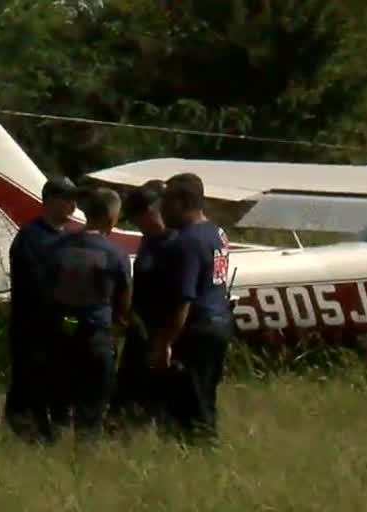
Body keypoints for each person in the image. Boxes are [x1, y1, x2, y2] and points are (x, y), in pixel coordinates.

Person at [43, 186, 132, 440]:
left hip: (64, 327)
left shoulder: (58, 246)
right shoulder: (115, 254)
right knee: (92, 401)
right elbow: (124, 300)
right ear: (111, 219)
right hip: (96, 332)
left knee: (62, 393)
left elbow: (47, 288)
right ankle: (86, 447)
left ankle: (55, 439)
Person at [151, 173, 234, 443]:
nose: (161, 209)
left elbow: (183, 301)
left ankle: (203, 449)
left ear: (181, 203)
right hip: (220, 322)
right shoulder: (217, 232)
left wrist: (165, 342)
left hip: (196, 330)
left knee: (191, 404)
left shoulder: (186, 242)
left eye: (167, 202)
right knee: (205, 395)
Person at [4, 176, 80, 443]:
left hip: (60, 327)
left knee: (59, 386)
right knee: (31, 384)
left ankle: (53, 434)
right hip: (33, 326)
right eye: (66, 199)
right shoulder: (31, 237)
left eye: (74, 199)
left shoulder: (69, 237)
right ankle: (28, 435)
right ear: (48, 201)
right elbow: (36, 285)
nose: (72, 205)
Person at [109, 180, 176, 431]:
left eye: (138, 217)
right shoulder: (150, 241)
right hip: (140, 328)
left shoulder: (174, 242)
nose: (137, 224)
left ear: (151, 211)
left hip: (161, 330)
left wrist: (165, 340)